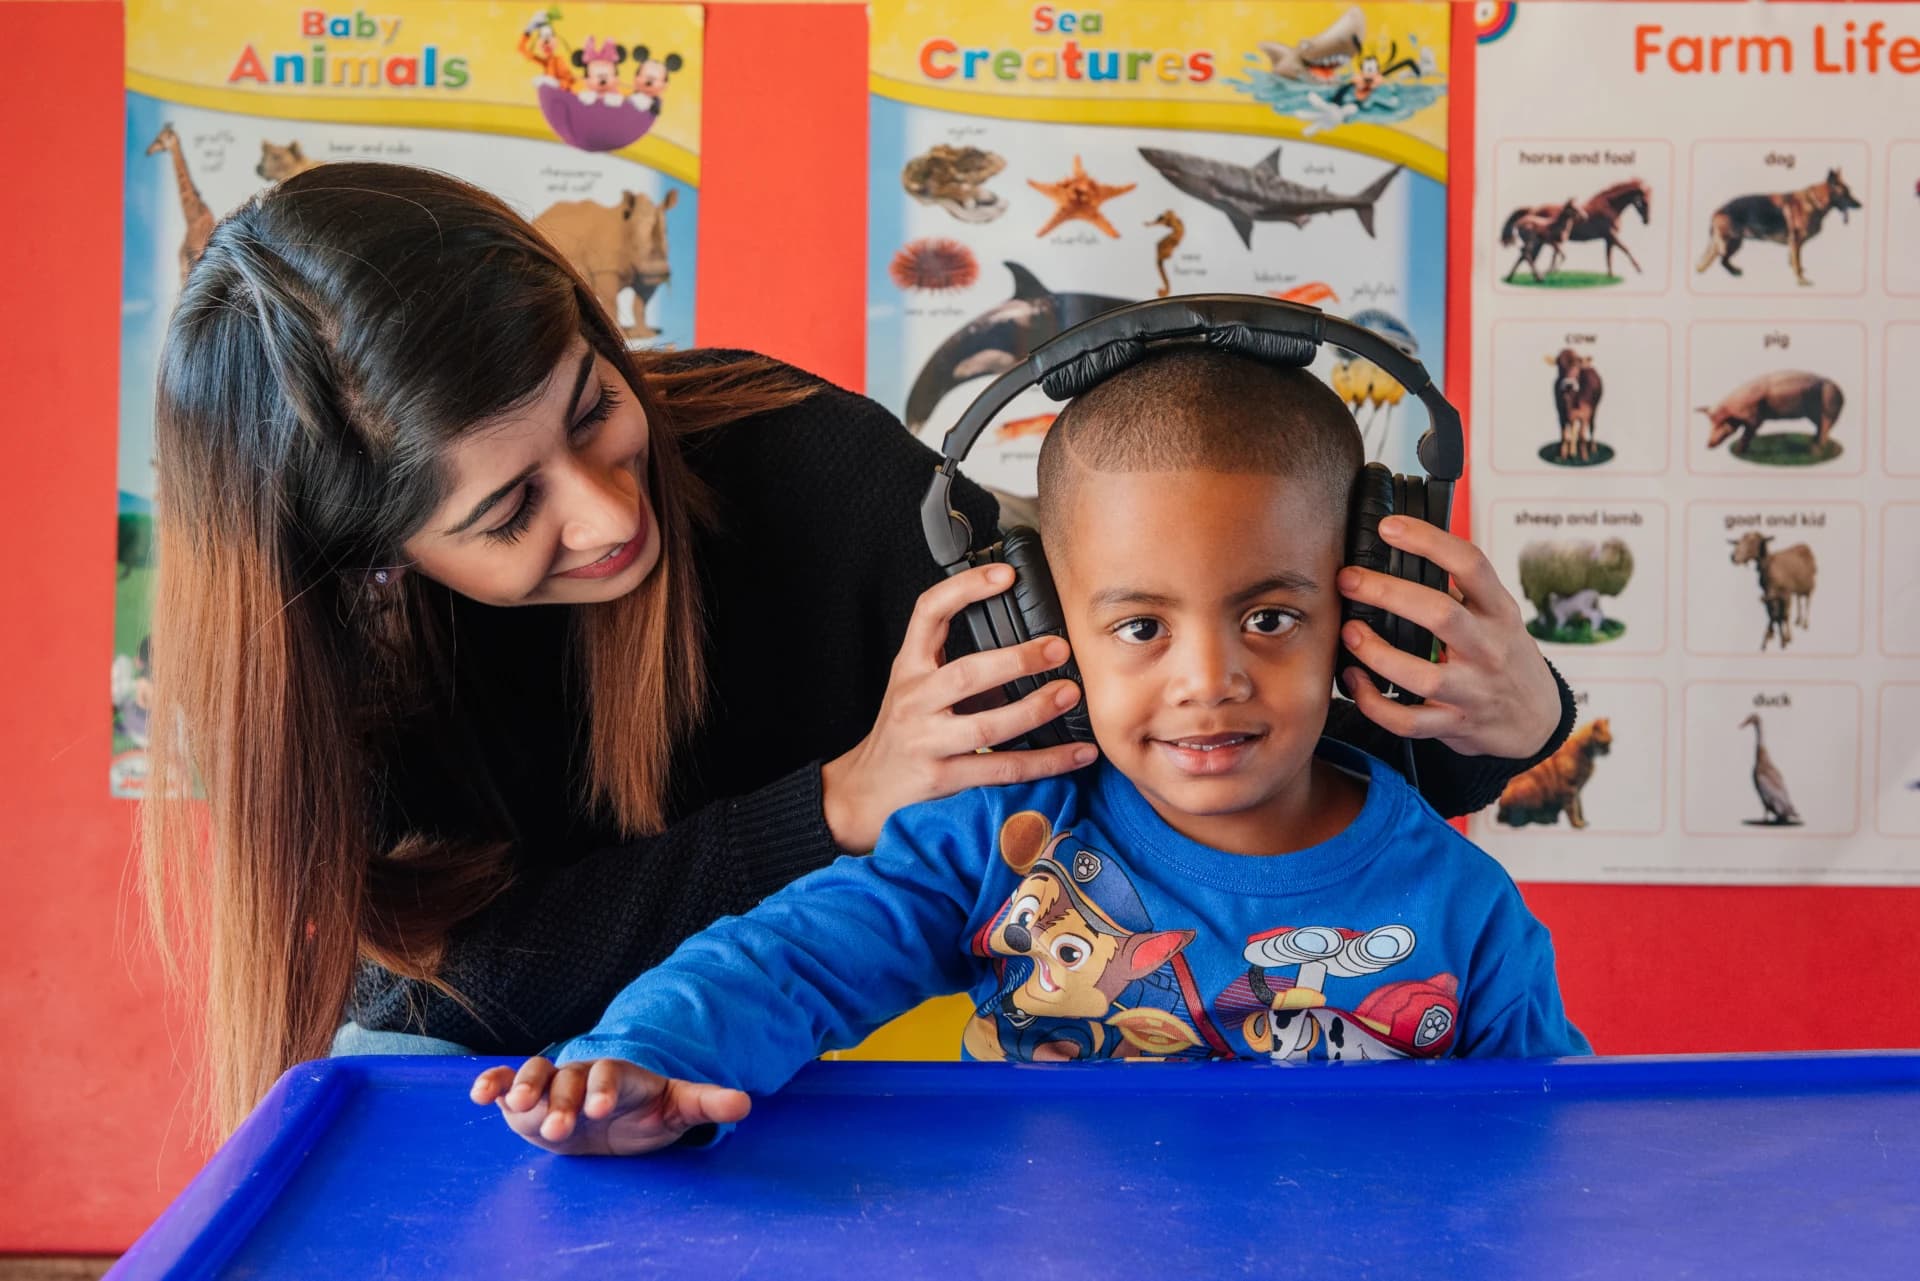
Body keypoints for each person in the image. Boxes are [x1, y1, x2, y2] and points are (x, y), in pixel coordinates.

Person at [141, 162, 1574, 1137]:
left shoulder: (802, 466)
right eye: (509, 507)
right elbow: (449, 994)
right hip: (580, 1060)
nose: (603, 505)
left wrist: (1512, 719)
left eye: (590, 405)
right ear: (377, 564)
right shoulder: (351, 666)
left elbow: (1195, 722)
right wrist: (832, 806)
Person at [471, 350, 1590, 1155]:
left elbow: (1556, 1156)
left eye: (1268, 617)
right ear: (1047, 628)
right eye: (1142, 628)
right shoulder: (1000, 842)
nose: (1208, 680)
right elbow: (789, 959)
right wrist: (647, 1056)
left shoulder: (1466, 911)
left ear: (1363, 614)